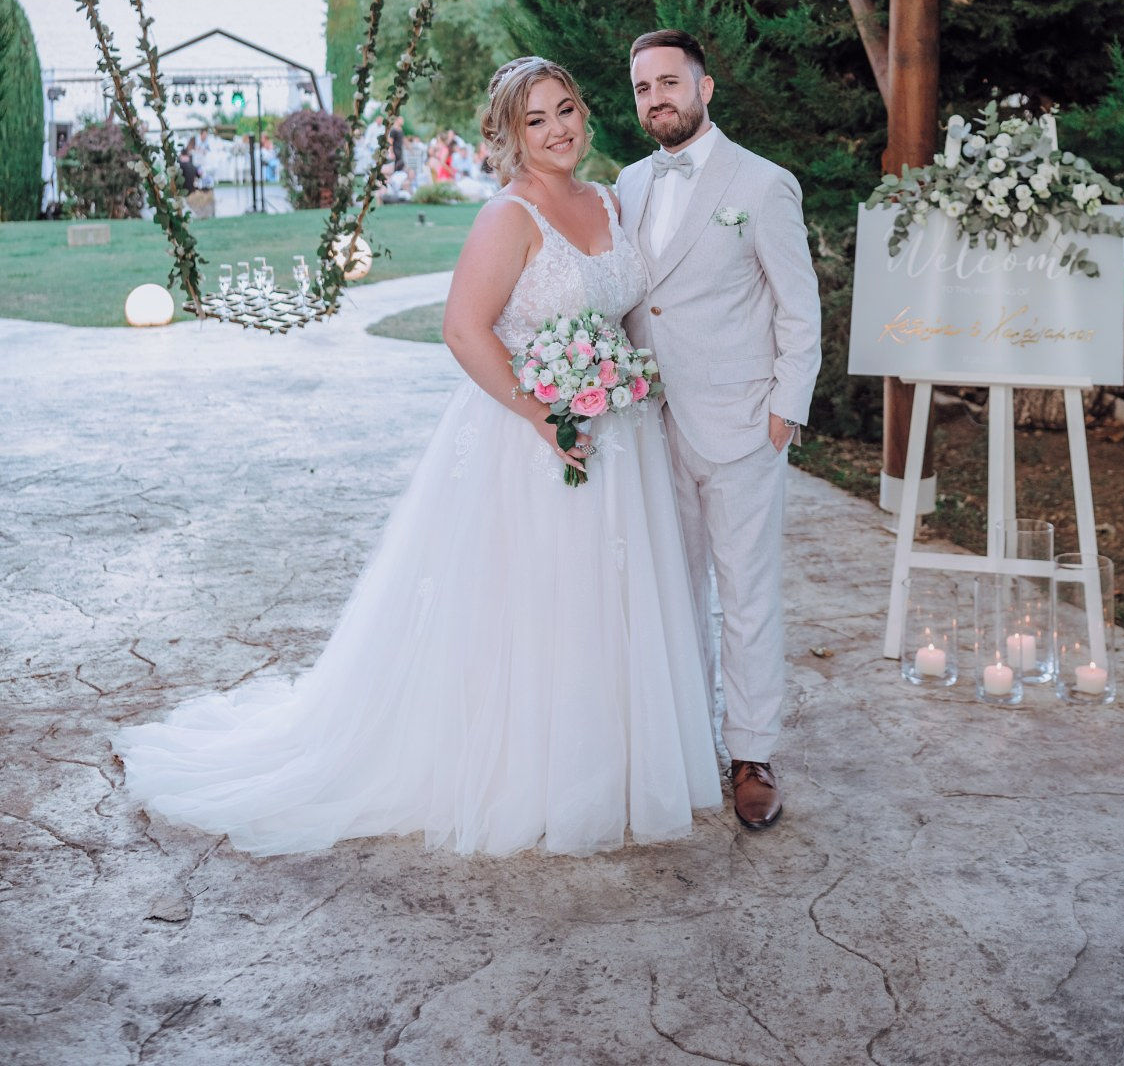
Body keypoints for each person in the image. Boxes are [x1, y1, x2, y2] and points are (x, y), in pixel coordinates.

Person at [113, 56, 720, 857]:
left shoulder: (608, 199)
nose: (557, 130)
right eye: (535, 120)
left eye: (565, 109)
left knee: (611, 602)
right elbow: (463, 330)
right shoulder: (507, 216)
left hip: (621, 439)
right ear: (509, 135)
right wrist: (542, 413)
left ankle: (619, 761)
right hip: (531, 441)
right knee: (541, 605)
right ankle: (531, 774)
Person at [616, 30, 821, 833]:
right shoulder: (628, 184)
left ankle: (752, 754)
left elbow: (799, 308)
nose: (656, 99)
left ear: (705, 88)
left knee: (745, 596)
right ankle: (683, 739)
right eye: (643, 88)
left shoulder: (763, 184)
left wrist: (785, 409)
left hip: (740, 423)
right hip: (647, 423)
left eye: (670, 82)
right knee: (673, 593)